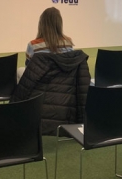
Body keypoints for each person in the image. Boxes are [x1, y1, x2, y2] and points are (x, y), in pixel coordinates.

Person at [11, 7, 90, 135]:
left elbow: (30, 70)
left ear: (41, 24)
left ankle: (23, 108)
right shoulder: (68, 42)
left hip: (40, 90)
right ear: (59, 24)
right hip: (65, 92)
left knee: (20, 71)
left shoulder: (33, 45)